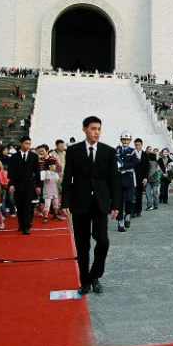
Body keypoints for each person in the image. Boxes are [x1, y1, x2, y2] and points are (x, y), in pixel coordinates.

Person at [61, 116, 120, 295]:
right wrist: (65, 202)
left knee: (103, 240)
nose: (96, 132)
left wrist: (116, 204)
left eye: (99, 129)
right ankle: (85, 280)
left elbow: (114, 180)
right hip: (80, 202)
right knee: (82, 243)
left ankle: (95, 275)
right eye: (93, 128)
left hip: (100, 203)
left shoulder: (108, 151)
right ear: (84, 129)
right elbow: (67, 178)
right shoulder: (73, 151)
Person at [6, 135, 41, 235]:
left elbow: (37, 171)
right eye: (26, 143)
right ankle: (21, 224)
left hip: (29, 185)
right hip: (17, 184)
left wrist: (38, 185)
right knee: (19, 205)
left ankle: (26, 226)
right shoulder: (14, 157)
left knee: (27, 205)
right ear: (21, 144)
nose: (28, 145)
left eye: (29, 144)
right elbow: (11, 171)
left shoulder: (34, 156)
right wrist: (11, 184)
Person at [114, 131, 138, 233]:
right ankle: (120, 221)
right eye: (124, 139)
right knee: (118, 202)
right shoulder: (117, 150)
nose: (125, 141)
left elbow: (135, 163)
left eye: (127, 139)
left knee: (129, 200)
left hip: (129, 178)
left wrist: (123, 165)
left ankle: (127, 215)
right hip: (119, 179)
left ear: (130, 140)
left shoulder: (132, 151)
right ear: (121, 140)